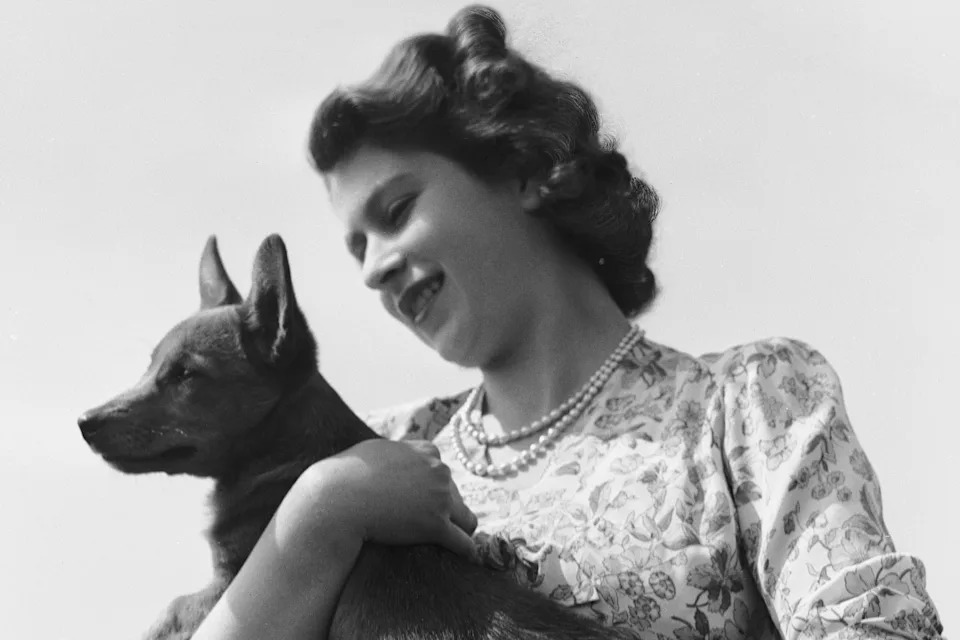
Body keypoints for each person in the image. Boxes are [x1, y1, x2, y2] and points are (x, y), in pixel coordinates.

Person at [194, 5, 943, 639]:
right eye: (357, 247)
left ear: (519, 169)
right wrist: (322, 512)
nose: (373, 269)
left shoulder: (746, 403)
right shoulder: (374, 454)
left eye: (396, 212)